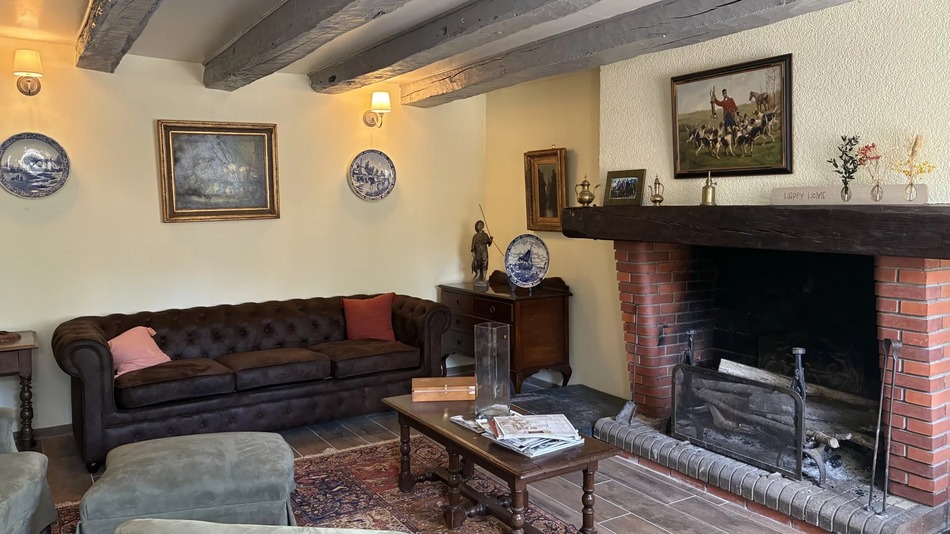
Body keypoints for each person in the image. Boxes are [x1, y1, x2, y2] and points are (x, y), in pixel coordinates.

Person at [471, 220, 493, 287]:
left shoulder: (485, 235)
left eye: (481, 225)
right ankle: (478, 275)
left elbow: (489, 243)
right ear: (476, 226)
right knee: (478, 263)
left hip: (484, 251)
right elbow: (472, 245)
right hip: (477, 252)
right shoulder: (475, 236)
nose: (480, 226)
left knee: (484, 263)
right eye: (478, 225)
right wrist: (473, 252)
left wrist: (491, 239)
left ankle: (484, 277)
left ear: (483, 226)